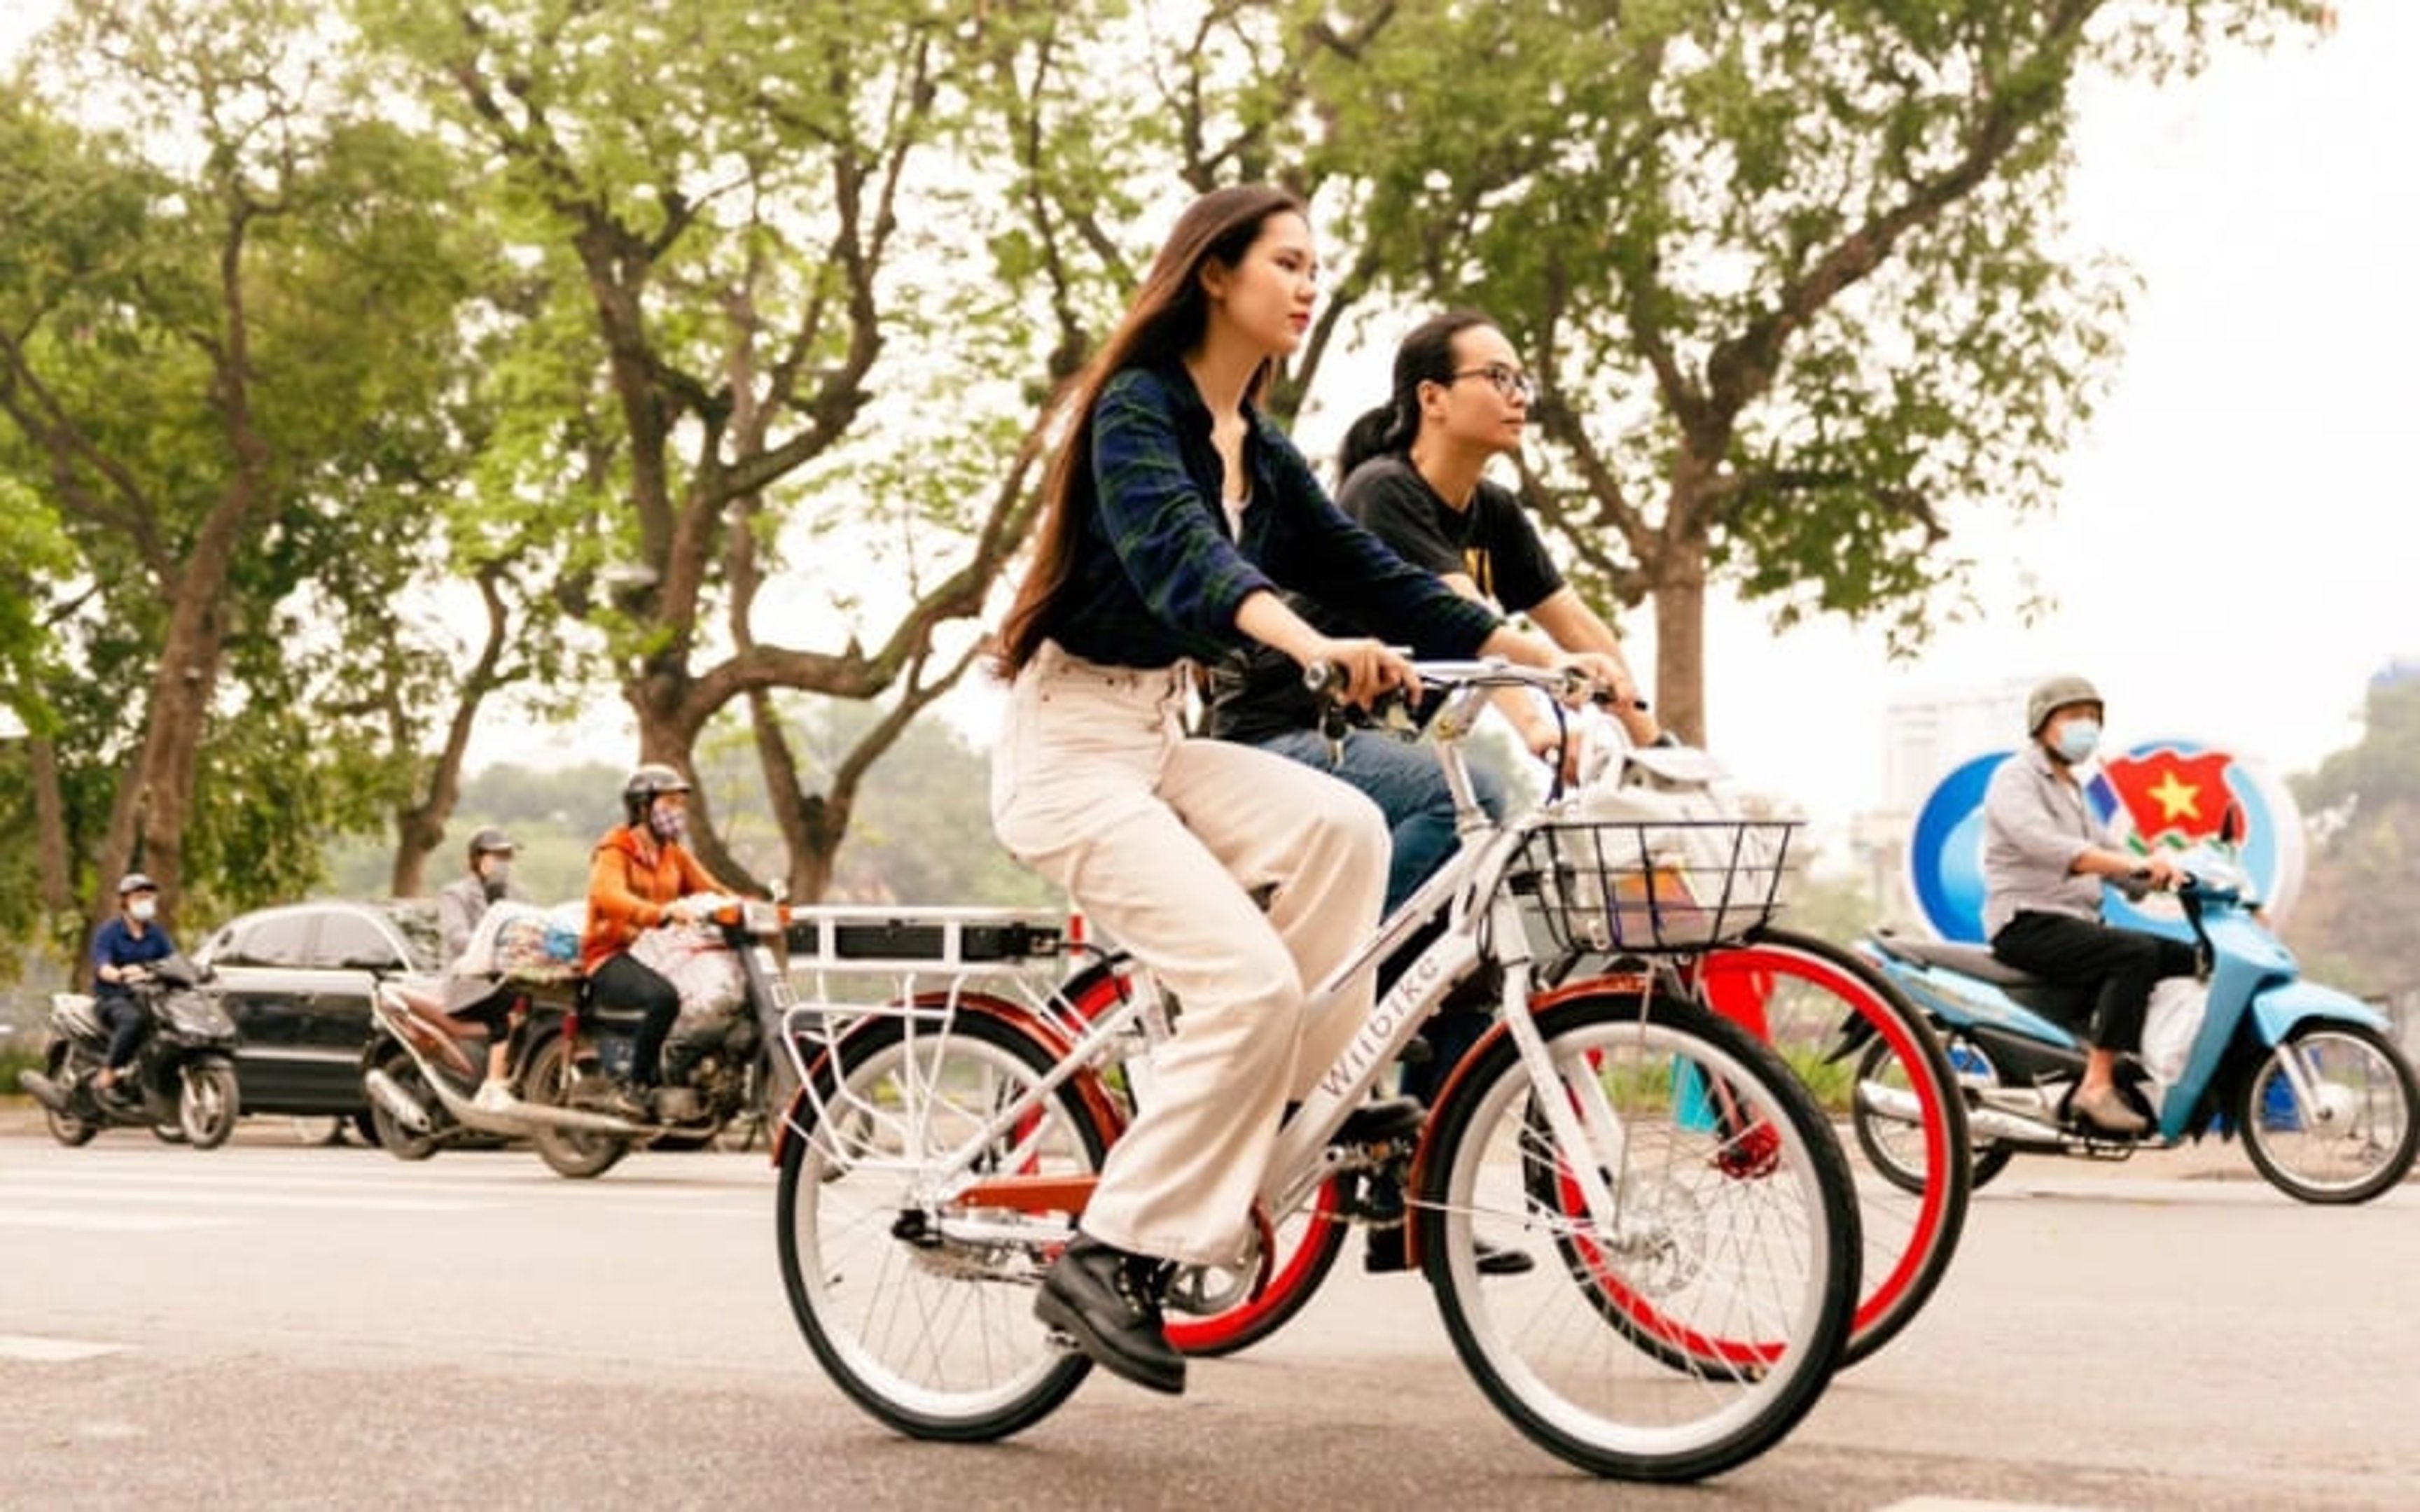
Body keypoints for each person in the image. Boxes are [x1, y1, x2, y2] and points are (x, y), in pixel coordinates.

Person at [989, 184, 1626, 1396]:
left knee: (1345, 826)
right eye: (1286, 261)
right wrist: (1306, 645)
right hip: (1070, 750)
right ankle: (1108, 1252)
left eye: (1313, 264)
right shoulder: (1138, 410)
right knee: (1247, 982)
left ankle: (1278, 1125)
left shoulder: (1257, 447)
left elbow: (1367, 569)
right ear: (1214, 274)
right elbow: (1183, 558)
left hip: (1155, 742)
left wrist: (1544, 660)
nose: (1306, 281)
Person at [1204, 310, 1660, 1273]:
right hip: (1286, 739)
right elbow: (1470, 625)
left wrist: (1655, 738)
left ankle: (1414, 1203)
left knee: (1475, 950)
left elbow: (1574, 626)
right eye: (1496, 375)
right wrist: (1545, 725)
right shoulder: (1383, 493)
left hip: (1383, 766)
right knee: (1476, 828)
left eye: (1522, 376)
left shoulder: (1495, 513)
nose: (1518, 393)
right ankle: (1330, 1021)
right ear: (1432, 398)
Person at [1981, 675, 2194, 1137]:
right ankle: (2095, 1088)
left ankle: (2154, 1071)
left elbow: (2111, 856)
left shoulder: (2071, 789)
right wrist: (2134, 862)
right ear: (2042, 724)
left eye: (2094, 718)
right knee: (2133, 952)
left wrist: (2168, 875)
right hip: (2027, 922)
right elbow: (2048, 845)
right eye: (2074, 717)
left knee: (2190, 958)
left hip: (2074, 923)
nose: (2087, 727)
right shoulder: (2016, 777)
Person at [580, 764, 739, 1121]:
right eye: (669, 802)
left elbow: (713, 890)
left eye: (681, 804)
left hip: (655, 953)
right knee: (664, 998)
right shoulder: (615, 849)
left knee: (712, 997)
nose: (677, 812)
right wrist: (660, 913)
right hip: (611, 954)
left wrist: (748, 909)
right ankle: (634, 1088)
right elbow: (608, 896)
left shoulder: (674, 855)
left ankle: (683, 1075)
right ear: (642, 807)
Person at [436, 827, 529, 1113]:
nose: (503, 862)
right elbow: (456, 937)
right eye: (497, 855)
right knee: (508, 1005)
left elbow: (532, 928)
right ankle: (493, 1086)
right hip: (469, 984)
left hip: (507, 977)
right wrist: (495, 948)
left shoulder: (518, 894)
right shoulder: (455, 894)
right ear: (477, 859)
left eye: (508, 856)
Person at [88, 872, 176, 1099]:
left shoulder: (157, 934)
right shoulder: (109, 932)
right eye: (139, 896)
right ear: (125, 901)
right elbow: (102, 965)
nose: (145, 901)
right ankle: (110, 1070)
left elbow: (172, 961)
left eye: (149, 897)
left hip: (148, 997)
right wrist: (119, 975)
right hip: (113, 998)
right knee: (132, 1020)